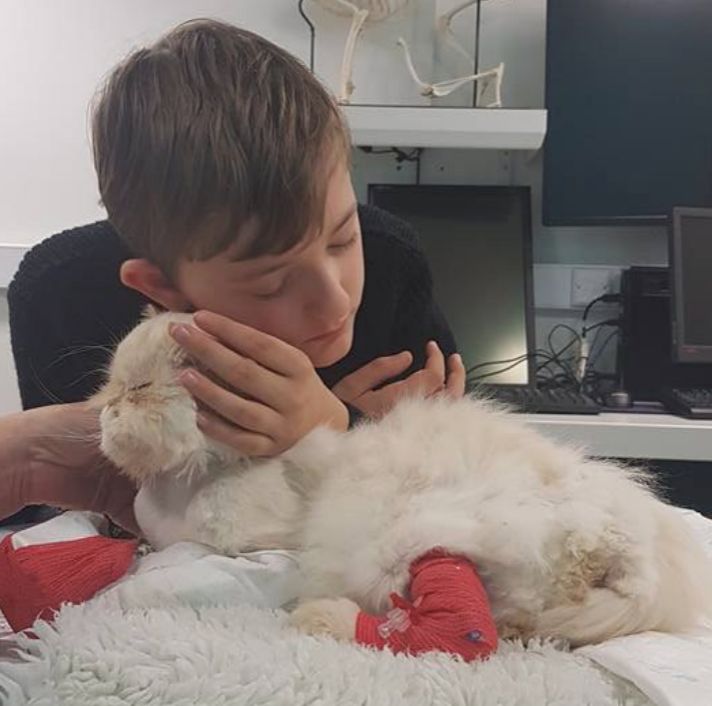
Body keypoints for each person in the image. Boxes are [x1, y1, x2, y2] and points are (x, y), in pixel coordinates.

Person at [1, 19, 463, 529]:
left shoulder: (390, 260)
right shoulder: (60, 295)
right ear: (163, 289)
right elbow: (85, 525)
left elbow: (459, 474)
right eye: (273, 283)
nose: (335, 301)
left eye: (342, 239)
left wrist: (336, 429)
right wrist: (331, 436)